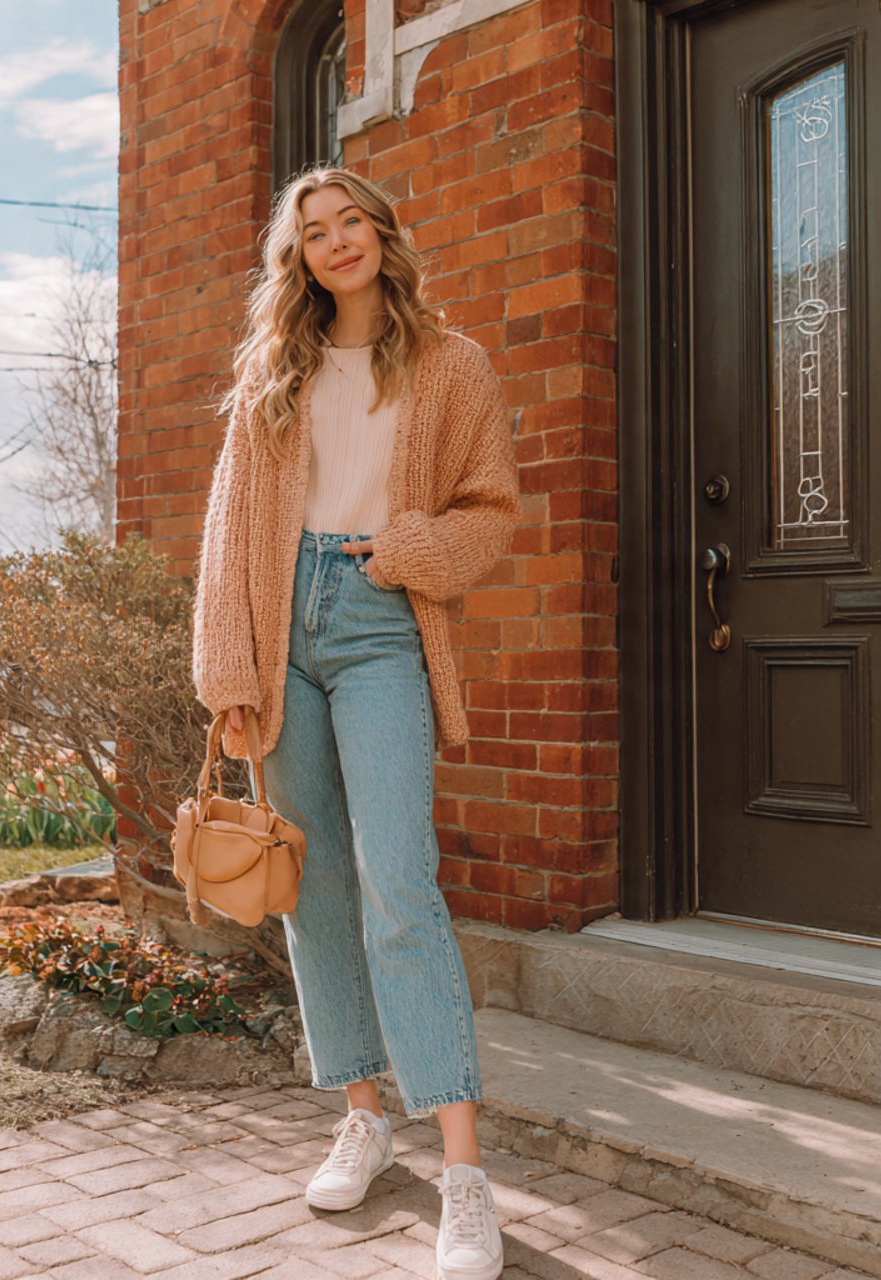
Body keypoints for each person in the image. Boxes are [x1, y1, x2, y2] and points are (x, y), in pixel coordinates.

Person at [192, 165, 520, 1280]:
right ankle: (364, 1113)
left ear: (382, 233)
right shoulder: (267, 374)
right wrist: (230, 665)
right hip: (282, 625)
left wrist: (413, 550)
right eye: (312, 232)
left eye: (350, 223)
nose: (335, 243)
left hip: (382, 623)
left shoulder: (450, 364)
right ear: (297, 257)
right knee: (315, 884)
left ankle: (465, 1174)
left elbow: (490, 510)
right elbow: (229, 529)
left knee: (399, 882)